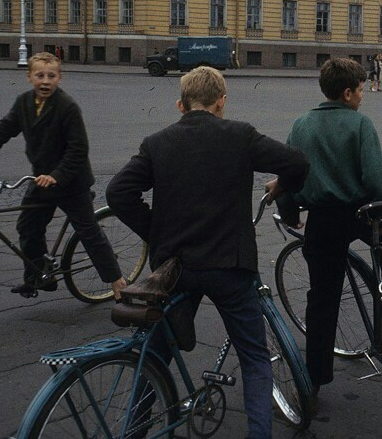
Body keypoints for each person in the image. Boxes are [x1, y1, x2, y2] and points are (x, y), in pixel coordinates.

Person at [106, 66, 309, 439]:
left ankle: (134, 428)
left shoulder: (157, 142)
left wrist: (157, 231)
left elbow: (117, 193)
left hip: (174, 267)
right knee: (254, 358)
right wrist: (281, 186)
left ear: (180, 105)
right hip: (229, 265)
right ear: (222, 102)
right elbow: (298, 163)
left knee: (157, 354)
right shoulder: (239, 135)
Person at [274, 58, 382, 403]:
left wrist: (289, 213)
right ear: (347, 93)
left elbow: (289, 176)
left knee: (322, 299)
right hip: (361, 215)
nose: (362, 97)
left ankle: (314, 380)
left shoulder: (301, 125)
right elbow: (377, 181)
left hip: (323, 220)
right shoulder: (360, 125)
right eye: (361, 91)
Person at [0, 53, 127, 299]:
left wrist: (57, 175)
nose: (45, 81)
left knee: (88, 232)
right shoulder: (24, 101)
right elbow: (7, 125)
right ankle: (38, 277)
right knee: (27, 226)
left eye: (51, 76)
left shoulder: (67, 107)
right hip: (41, 179)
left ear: (59, 77)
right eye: (39, 75)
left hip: (71, 183)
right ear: (29, 76)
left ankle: (118, 283)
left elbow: (78, 150)